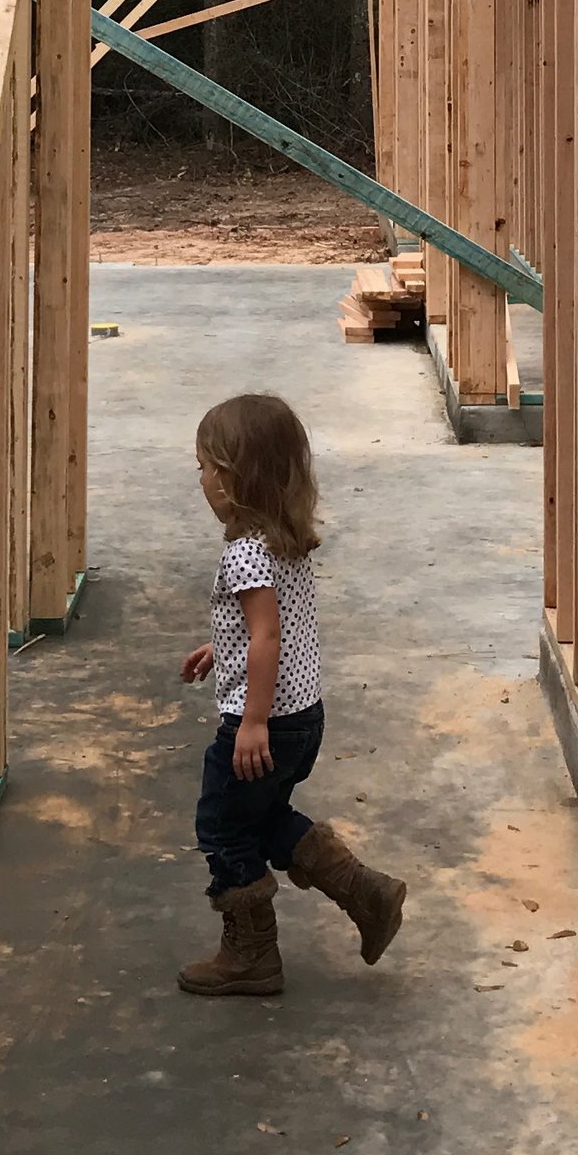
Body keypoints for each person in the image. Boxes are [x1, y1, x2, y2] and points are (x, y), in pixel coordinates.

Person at [176, 391, 405, 998]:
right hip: (304, 717)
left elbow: (267, 636)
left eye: (203, 466)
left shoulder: (245, 553)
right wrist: (218, 650)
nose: (199, 479)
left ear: (230, 478)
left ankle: (250, 954)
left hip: (266, 722)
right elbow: (268, 628)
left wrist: (250, 723)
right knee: (266, 815)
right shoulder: (284, 540)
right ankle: (366, 891)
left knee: (223, 825)